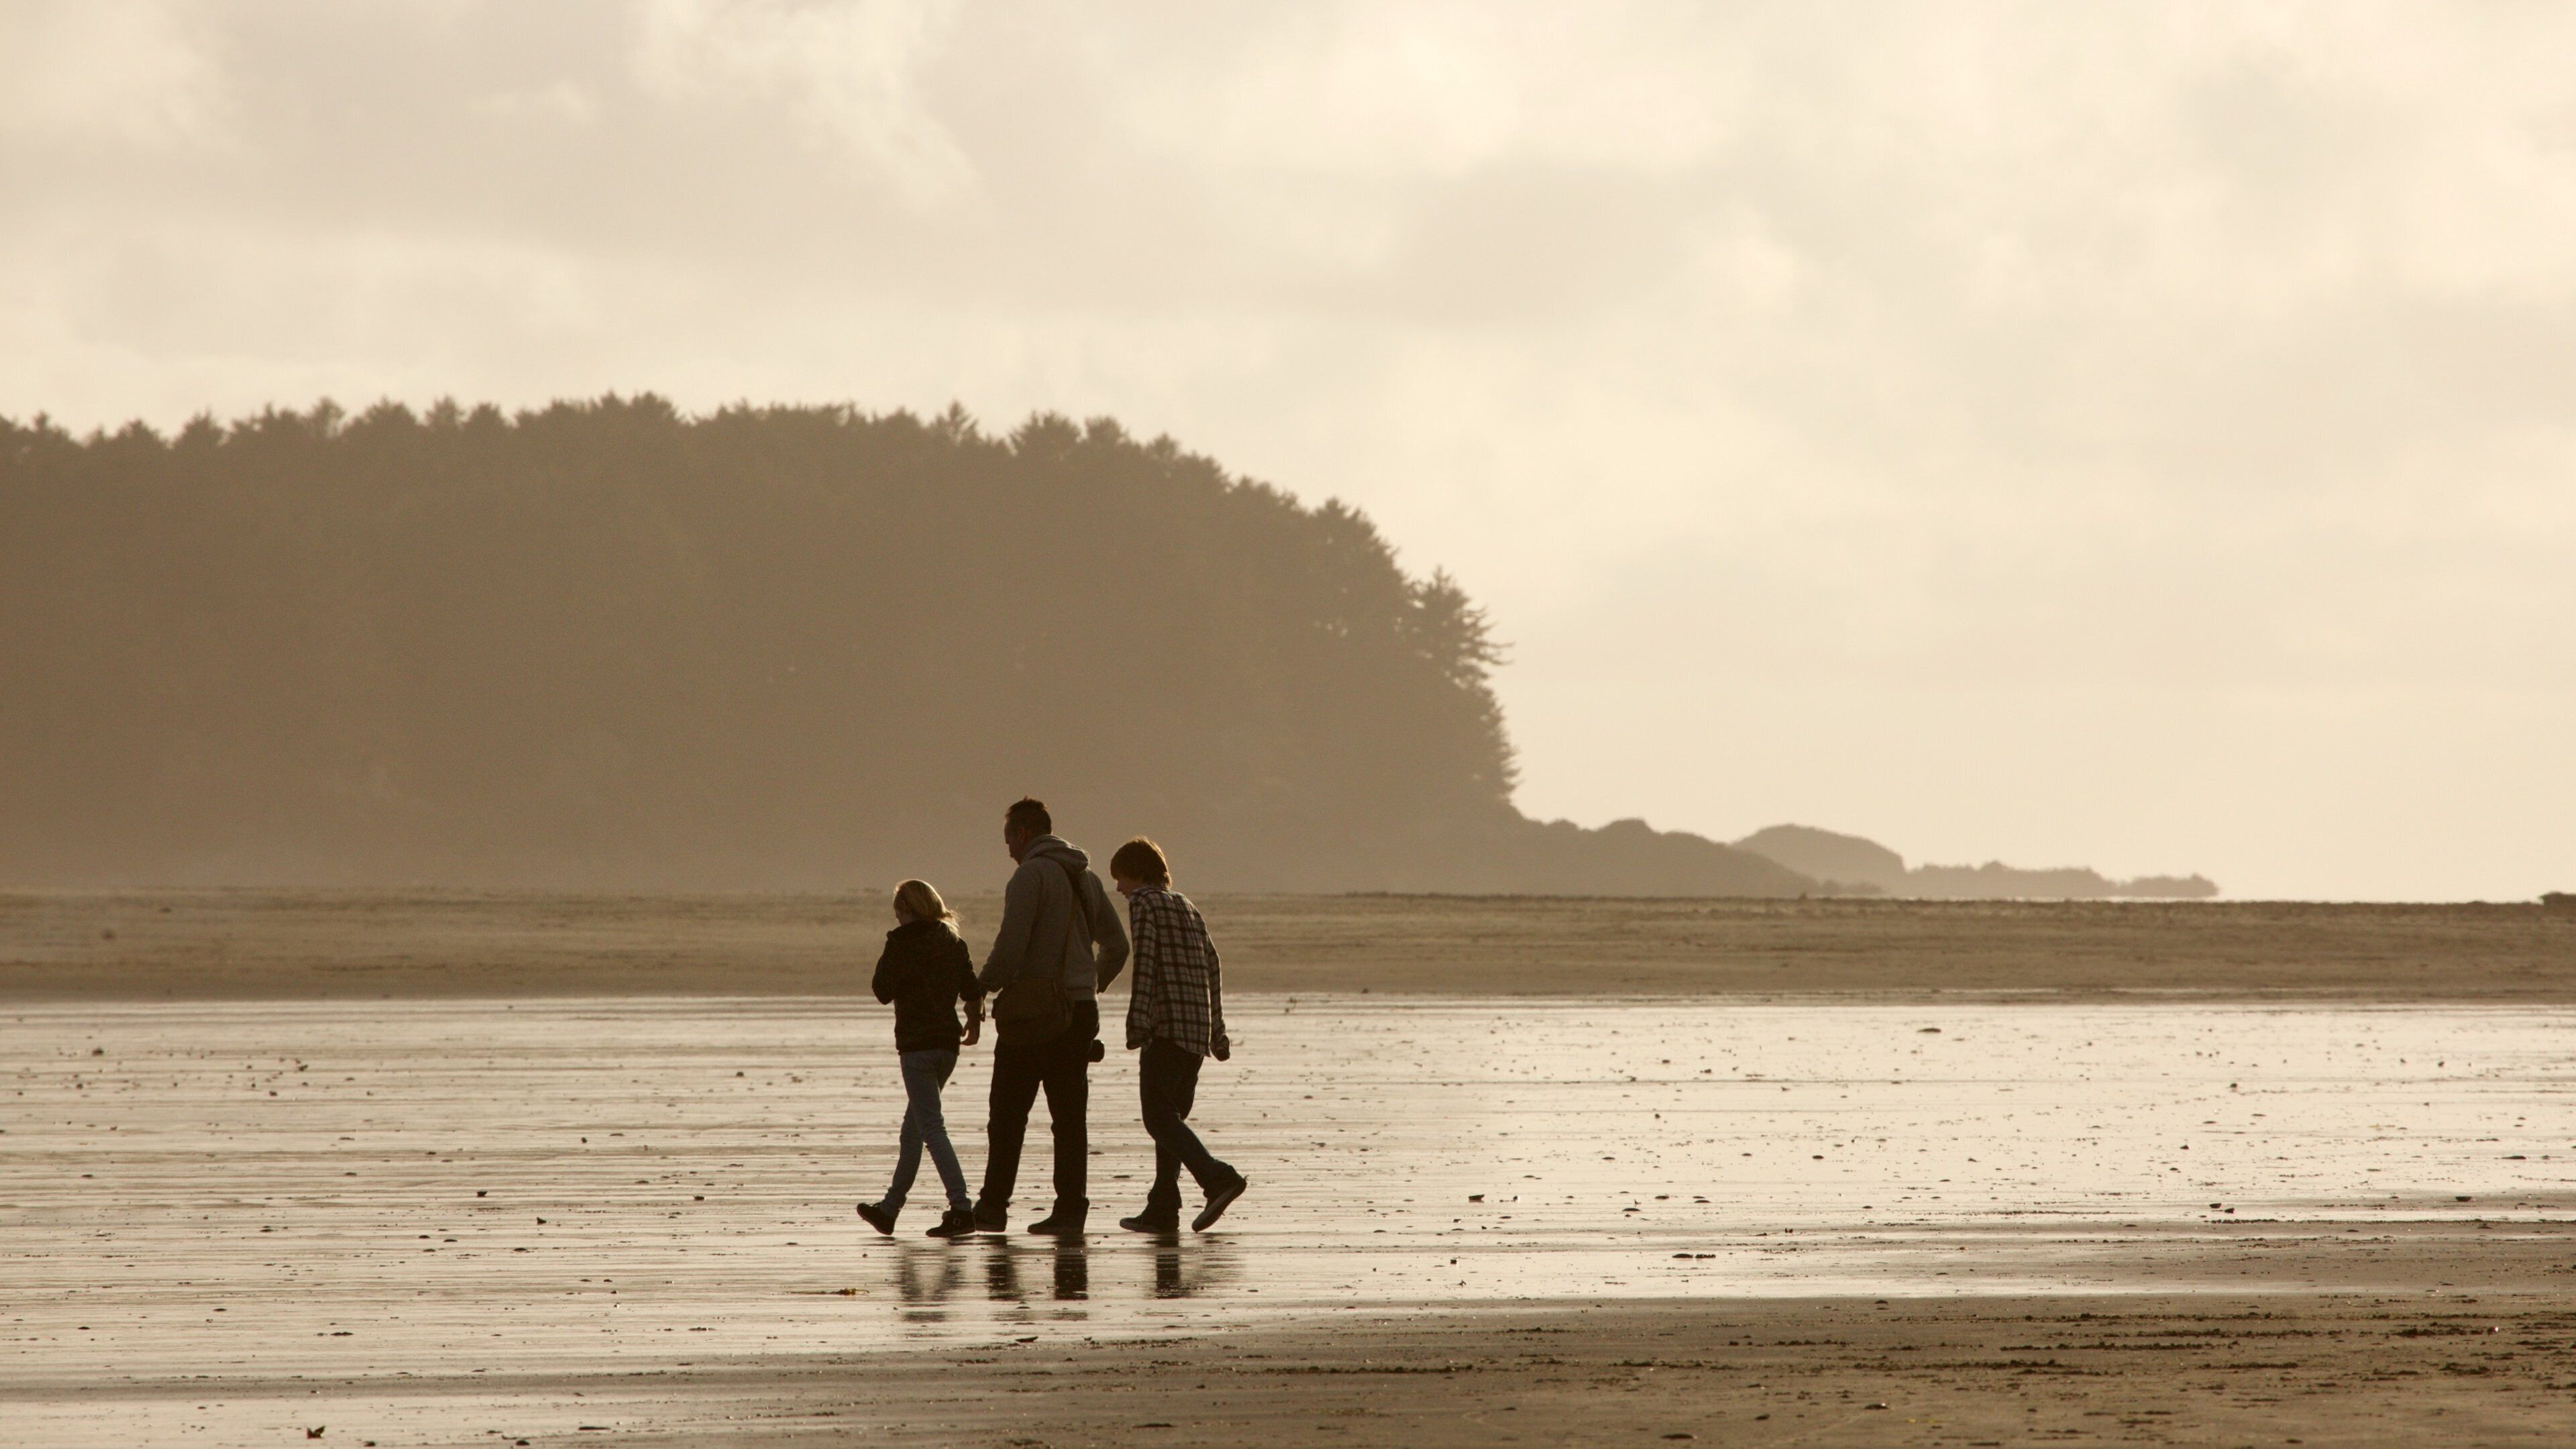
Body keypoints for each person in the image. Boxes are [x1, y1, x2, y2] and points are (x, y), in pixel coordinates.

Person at [970, 798, 1129, 1235]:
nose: (1007, 851)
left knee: (1006, 1114)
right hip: (1079, 1013)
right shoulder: (1086, 878)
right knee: (1069, 1119)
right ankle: (1070, 1211)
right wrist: (1088, 984)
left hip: (1033, 1014)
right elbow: (1117, 946)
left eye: (1008, 840)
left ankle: (993, 1206)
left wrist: (980, 988)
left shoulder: (1029, 876)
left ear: (1022, 834)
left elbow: (1011, 945)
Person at [1108, 837, 1248, 1233]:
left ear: (1137, 874)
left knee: (1158, 1119)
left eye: (1121, 879)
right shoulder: (1186, 904)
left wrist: (1137, 1021)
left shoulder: (1144, 903)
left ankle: (1217, 1177)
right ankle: (1163, 1207)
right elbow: (1212, 964)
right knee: (1171, 1121)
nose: (1119, 889)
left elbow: (1146, 960)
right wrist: (1217, 1031)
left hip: (1166, 1027)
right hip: (1196, 1032)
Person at [857, 879, 985, 1239]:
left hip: (916, 1048)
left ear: (907, 911)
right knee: (912, 1131)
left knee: (931, 1129)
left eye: (899, 911)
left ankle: (962, 1209)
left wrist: (894, 952)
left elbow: (881, 991)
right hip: (947, 1046)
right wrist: (974, 1024)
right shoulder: (952, 942)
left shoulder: (900, 944)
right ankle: (889, 1209)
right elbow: (972, 990)